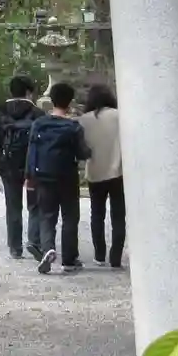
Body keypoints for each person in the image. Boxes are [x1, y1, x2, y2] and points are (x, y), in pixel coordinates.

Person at [25, 82, 90, 275]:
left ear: (51, 100)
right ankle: (69, 259)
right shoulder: (73, 127)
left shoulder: (39, 124)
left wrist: (29, 176)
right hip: (67, 177)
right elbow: (82, 153)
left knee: (47, 215)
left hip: (44, 176)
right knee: (70, 217)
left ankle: (48, 249)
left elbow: (31, 152)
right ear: (70, 102)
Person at [0, 75, 42, 259]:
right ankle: (34, 241)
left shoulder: (0, 111)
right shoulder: (37, 113)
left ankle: (15, 247)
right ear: (28, 92)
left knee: (13, 206)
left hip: (8, 163)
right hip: (33, 164)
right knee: (35, 205)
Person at [80, 83, 124, 269]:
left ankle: (99, 255)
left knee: (97, 215)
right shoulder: (119, 116)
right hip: (117, 171)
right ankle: (116, 257)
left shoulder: (84, 120)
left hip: (95, 171)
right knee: (118, 216)